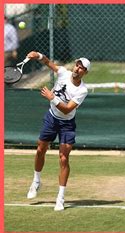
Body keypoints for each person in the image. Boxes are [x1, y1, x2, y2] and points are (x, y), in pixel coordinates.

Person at [25, 51, 90, 211]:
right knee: (40, 149)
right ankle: (36, 181)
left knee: (63, 158)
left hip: (67, 124)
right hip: (51, 118)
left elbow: (67, 110)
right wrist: (38, 55)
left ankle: (60, 198)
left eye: (81, 68)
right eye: (77, 65)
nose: (77, 69)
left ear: (85, 73)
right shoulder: (63, 73)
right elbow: (48, 62)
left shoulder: (82, 90)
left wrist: (51, 97)